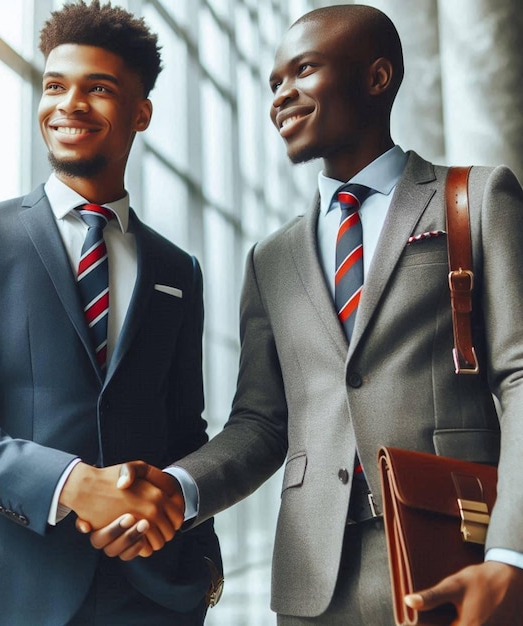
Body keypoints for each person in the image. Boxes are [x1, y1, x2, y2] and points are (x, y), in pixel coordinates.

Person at [89, 4, 523, 625]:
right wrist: (177, 490)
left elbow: (519, 377)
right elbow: (262, 424)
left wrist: (510, 554)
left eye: (304, 71)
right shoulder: (273, 257)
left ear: (378, 78)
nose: (281, 97)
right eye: (273, 84)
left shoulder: (478, 199)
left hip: (457, 558)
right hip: (314, 586)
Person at [0, 1, 221, 624]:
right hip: (8, 589)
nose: (69, 104)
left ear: (141, 112)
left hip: (150, 598)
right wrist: (71, 483)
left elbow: (185, 432)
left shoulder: (177, 271)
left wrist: (202, 564)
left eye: (98, 89)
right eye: (55, 86)